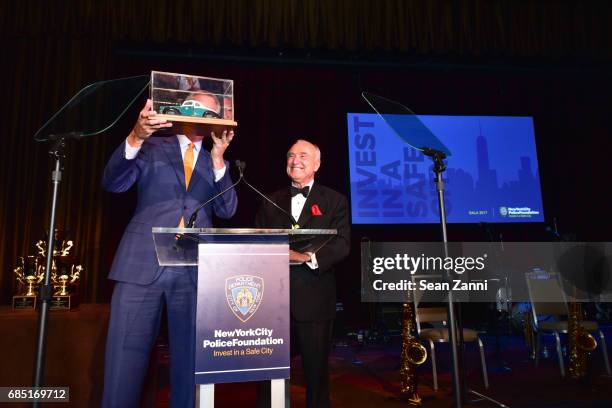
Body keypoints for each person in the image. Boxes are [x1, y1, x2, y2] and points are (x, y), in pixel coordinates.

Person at [101, 95, 237, 407]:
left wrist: (218, 160)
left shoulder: (216, 161)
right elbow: (113, 183)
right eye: (196, 108)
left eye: (210, 112)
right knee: (124, 361)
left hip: (194, 271)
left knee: (191, 365)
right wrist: (136, 136)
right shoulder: (151, 146)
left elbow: (228, 210)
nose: (202, 116)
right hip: (141, 264)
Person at [255, 139, 350, 408]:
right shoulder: (269, 200)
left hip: (315, 297)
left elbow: (342, 243)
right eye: (291, 155)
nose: (295, 160)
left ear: (317, 164)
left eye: (303, 155)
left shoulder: (335, 200)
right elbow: (257, 242)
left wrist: (306, 257)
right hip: (272, 300)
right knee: (269, 373)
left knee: (316, 374)